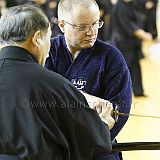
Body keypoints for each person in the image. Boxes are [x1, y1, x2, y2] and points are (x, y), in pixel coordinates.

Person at [0, 4, 113, 160]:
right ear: (37, 38)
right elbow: (93, 140)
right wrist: (104, 124)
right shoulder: (52, 84)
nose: (48, 50)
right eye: (48, 38)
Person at [45, 0, 132, 159]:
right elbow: (41, 97)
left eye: (95, 24)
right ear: (62, 25)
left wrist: (94, 139)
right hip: (55, 147)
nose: (91, 32)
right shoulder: (47, 52)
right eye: (82, 27)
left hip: (98, 147)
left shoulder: (111, 57)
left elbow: (120, 109)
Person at [107, 0, 153, 97]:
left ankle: (138, 91)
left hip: (133, 43)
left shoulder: (132, 5)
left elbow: (140, 18)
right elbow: (128, 25)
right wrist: (144, 35)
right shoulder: (120, 7)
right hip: (123, 42)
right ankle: (116, 93)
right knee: (123, 68)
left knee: (135, 67)